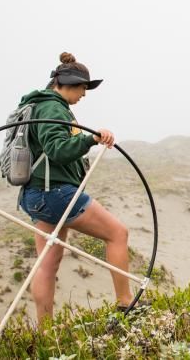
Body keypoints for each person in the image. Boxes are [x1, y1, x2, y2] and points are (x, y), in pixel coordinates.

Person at [18, 52, 134, 322]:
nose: (84, 94)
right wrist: (90, 139)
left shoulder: (38, 105)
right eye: (83, 87)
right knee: (117, 233)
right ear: (69, 83)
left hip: (35, 194)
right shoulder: (53, 107)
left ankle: (46, 332)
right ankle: (126, 301)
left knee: (47, 264)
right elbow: (57, 149)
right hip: (56, 193)